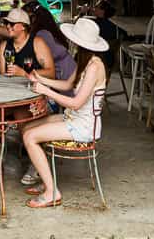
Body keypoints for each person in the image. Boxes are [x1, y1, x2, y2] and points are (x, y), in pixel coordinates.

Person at [21, 17, 108, 209]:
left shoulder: (95, 66)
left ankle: (52, 192)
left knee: (29, 136)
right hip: (73, 118)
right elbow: (68, 84)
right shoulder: (85, 61)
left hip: (83, 125)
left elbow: (76, 103)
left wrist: (47, 91)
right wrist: (40, 79)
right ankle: (46, 179)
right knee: (27, 127)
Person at [0, 8, 55, 177]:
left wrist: (25, 73)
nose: (8, 26)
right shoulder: (4, 46)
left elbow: (51, 72)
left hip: (33, 96)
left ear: (23, 26)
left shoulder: (37, 43)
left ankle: (35, 162)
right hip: (10, 96)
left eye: (12, 24)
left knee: (22, 114)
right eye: (6, 23)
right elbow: (2, 76)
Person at [20, 2, 78, 185]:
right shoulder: (49, 30)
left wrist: (44, 87)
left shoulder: (41, 35)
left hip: (64, 82)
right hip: (66, 73)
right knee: (30, 123)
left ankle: (38, 166)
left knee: (34, 118)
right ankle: (35, 159)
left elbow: (74, 102)